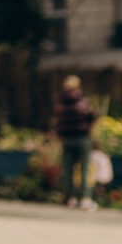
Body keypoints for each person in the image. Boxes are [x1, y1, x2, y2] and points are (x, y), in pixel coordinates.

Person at [53, 75, 100, 210]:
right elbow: (91, 117)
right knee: (85, 168)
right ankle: (85, 198)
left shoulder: (60, 103)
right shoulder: (83, 101)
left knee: (68, 170)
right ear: (78, 86)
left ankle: (71, 198)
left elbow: (58, 122)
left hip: (67, 139)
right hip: (82, 138)